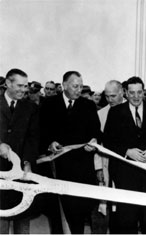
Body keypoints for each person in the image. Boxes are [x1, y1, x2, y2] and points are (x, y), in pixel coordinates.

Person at [39, 71, 101, 234]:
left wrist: (94, 142)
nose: (79, 89)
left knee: (78, 213)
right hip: (56, 168)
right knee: (57, 213)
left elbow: (96, 132)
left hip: (81, 169)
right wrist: (49, 143)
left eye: (81, 86)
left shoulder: (88, 105)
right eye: (75, 86)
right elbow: (41, 131)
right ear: (64, 85)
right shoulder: (48, 104)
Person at [104, 76, 146, 234]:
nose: (136, 97)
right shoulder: (116, 112)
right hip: (126, 176)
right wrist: (127, 151)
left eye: (139, 92)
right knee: (127, 220)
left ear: (143, 92)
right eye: (132, 93)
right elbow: (109, 141)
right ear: (125, 93)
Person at [0, 69, 39, 234]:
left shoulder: (31, 107)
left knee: (22, 219)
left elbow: (34, 138)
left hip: (22, 173)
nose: (24, 90)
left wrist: (28, 162)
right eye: (20, 86)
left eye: (26, 86)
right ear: (8, 83)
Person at [91, 80, 125, 234]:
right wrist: (98, 167)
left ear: (122, 93)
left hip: (126, 167)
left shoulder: (131, 110)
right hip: (106, 165)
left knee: (123, 210)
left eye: (113, 96)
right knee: (103, 207)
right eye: (107, 96)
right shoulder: (101, 114)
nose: (110, 99)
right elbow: (98, 144)